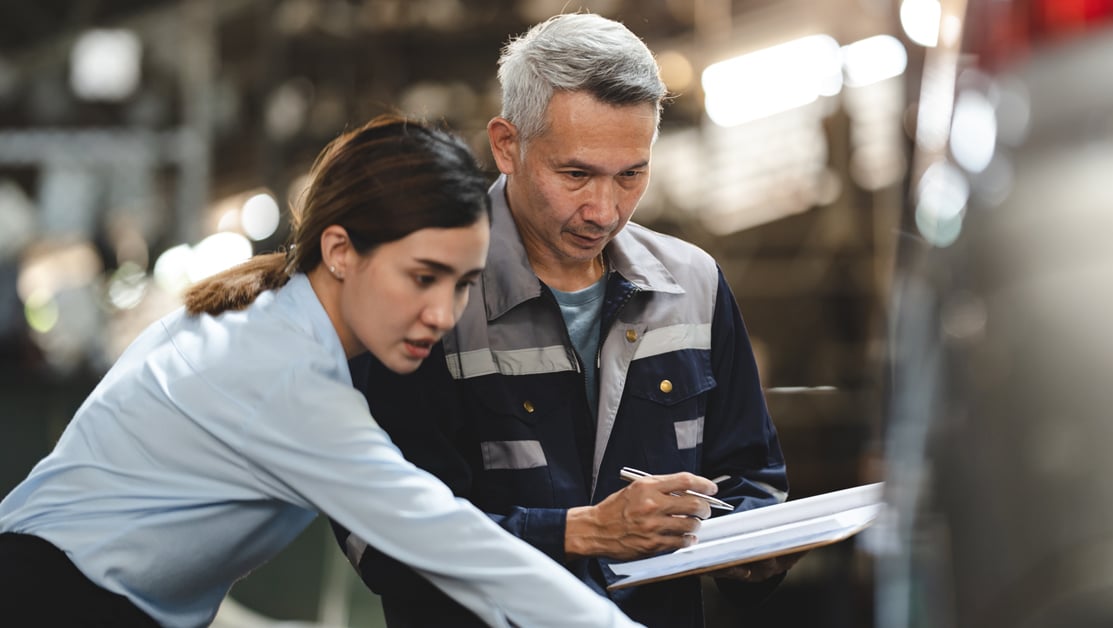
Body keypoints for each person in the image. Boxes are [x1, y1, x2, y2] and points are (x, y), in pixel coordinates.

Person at [0, 114, 643, 628]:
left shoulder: (258, 315)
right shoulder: (283, 374)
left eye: (461, 285)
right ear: (340, 251)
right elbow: (454, 542)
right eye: (422, 278)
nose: (441, 314)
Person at [334, 14, 794, 628]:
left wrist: (751, 546)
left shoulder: (692, 286)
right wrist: (583, 532)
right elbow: (382, 542)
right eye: (575, 174)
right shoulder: (422, 296)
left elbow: (752, 477)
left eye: (631, 174)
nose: (604, 211)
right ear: (507, 145)